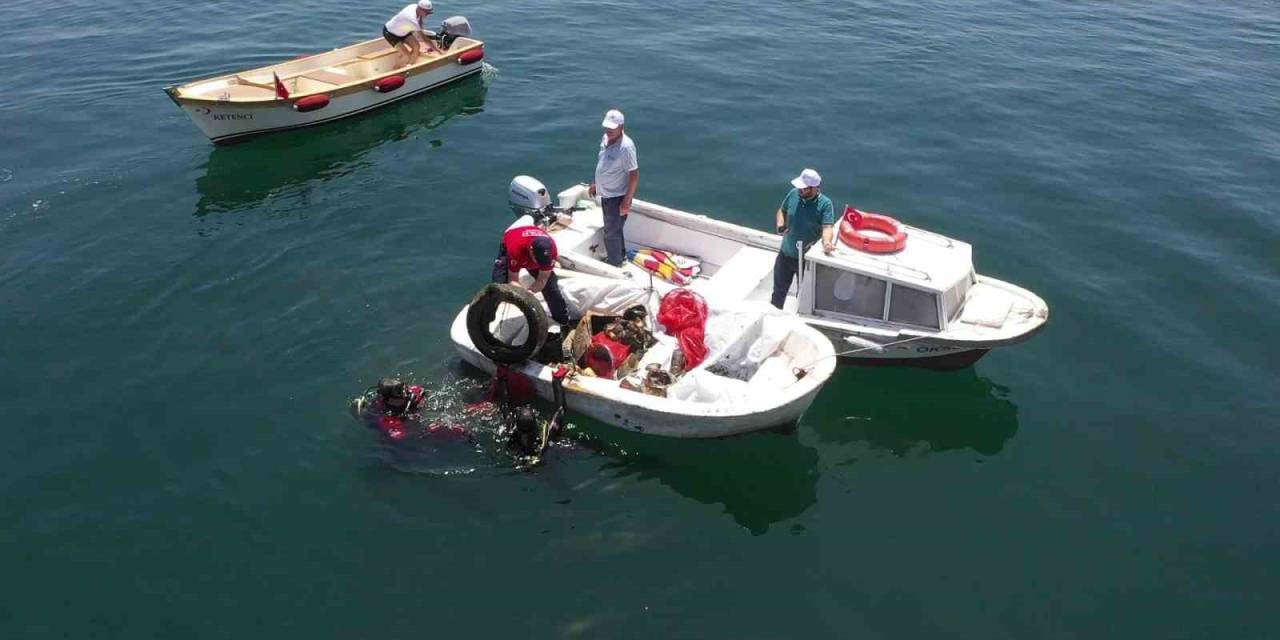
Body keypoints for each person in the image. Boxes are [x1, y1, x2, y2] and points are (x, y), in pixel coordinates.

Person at [771, 168, 836, 309]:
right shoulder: (793, 193)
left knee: (804, 295)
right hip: (785, 254)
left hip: (806, 260)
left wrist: (827, 243)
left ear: (815, 188)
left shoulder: (825, 204)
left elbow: (827, 227)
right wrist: (780, 224)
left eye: (805, 189)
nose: (801, 191)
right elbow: (782, 210)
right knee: (778, 292)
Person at [588, 109, 639, 267]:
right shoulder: (605, 138)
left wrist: (627, 200)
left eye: (612, 128)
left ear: (621, 126)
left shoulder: (626, 147)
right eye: (607, 127)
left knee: (611, 233)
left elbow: (634, 174)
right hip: (605, 193)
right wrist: (596, 183)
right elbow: (602, 163)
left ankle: (615, 263)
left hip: (617, 196)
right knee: (614, 229)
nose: (608, 130)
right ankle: (620, 256)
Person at [492, 225, 571, 324]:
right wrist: (522, 295)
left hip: (531, 247)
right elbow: (513, 279)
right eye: (538, 260)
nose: (540, 264)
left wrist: (530, 292)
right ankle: (489, 317)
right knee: (498, 284)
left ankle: (562, 320)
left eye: (543, 262)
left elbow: (542, 279)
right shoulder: (516, 250)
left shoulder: (552, 251)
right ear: (531, 250)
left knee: (551, 289)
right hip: (513, 240)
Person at [383, 0, 441, 68]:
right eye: (427, 13)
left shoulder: (414, 6)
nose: (428, 15)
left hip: (404, 31)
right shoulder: (412, 19)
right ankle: (395, 69)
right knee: (406, 55)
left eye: (429, 13)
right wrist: (438, 51)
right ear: (420, 9)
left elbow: (420, 20)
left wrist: (420, 26)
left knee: (417, 47)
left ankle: (409, 66)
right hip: (390, 33)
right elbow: (424, 39)